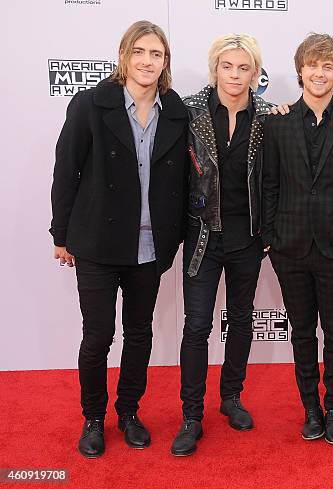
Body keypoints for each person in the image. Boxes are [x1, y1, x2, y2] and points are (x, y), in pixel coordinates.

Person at [50, 20, 188, 458]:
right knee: (97, 336)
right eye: (140, 52)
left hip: (150, 247)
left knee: (140, 333)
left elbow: (183, 182)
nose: (148, 62)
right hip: (96, 244)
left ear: (166, 63)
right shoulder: (91, 104)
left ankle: (129, 412)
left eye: (157, 54)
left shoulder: (177, 110)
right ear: (125, 55)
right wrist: (61, 233)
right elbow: (66, 170)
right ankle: (93, 418)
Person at [262, 33, 333, 445]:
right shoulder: (278, 122)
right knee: (302, 333)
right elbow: (269, 184)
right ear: (300, 70)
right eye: (312, 65)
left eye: (328, 66)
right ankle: (310, 408)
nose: (319, 73)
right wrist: (270, 239)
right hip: (288, 248)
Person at [170, 33, 271, 457]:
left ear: (254, 72)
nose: (234, 74)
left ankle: (231, 397)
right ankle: (192, 414)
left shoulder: (268, 116)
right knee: (196, 325)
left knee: (242, 320)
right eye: (227, 66)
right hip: (201, 237)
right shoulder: (189, 111)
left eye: (243, 67)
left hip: (248, 237)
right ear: (215, 68)